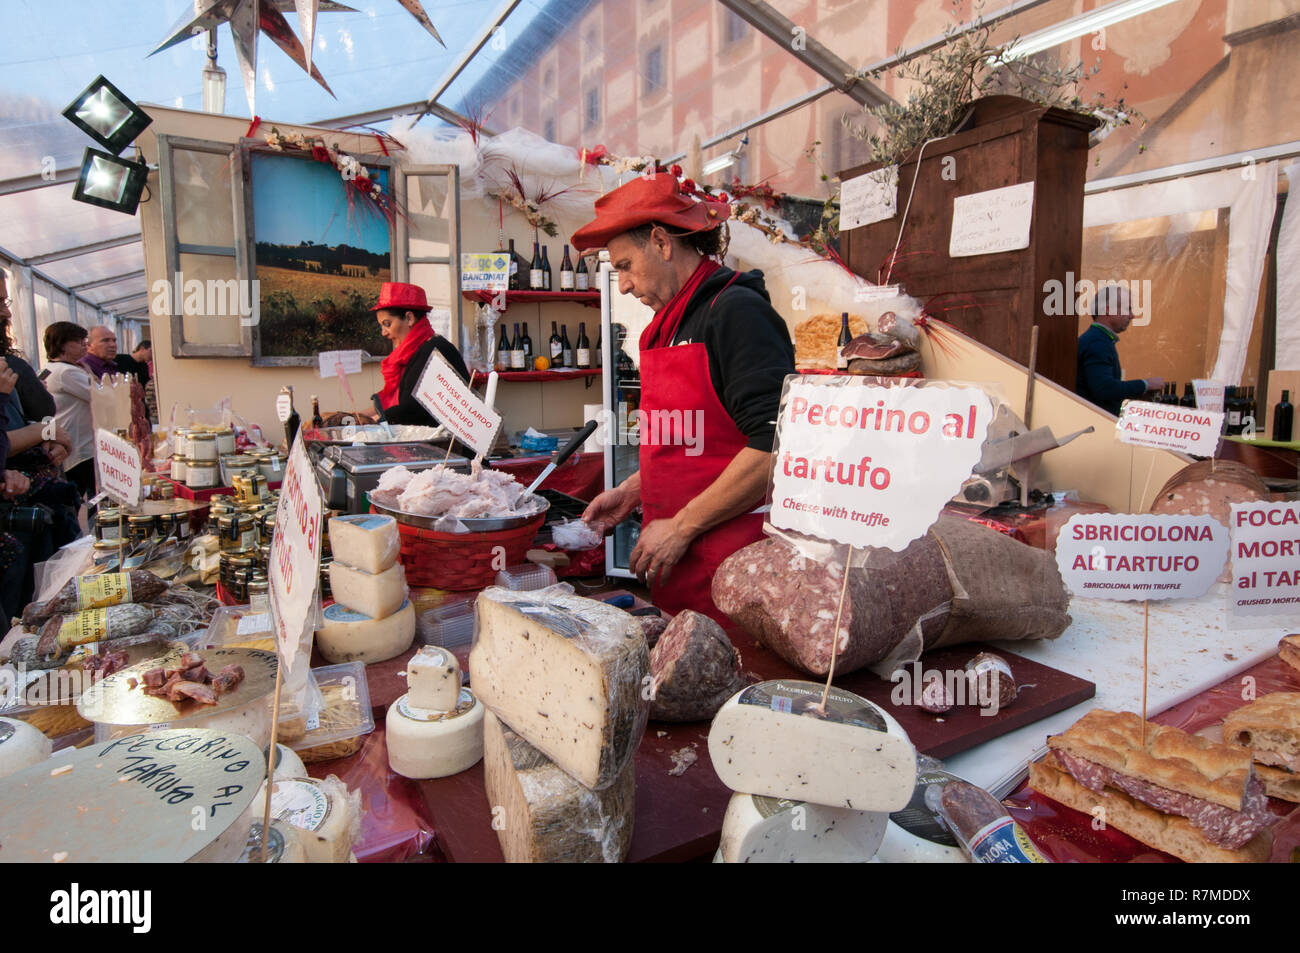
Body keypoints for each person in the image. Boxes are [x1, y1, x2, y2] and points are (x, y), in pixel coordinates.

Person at [573, 173, 795, 624]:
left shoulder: (737, 312)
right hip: (680, 566)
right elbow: (692, 438)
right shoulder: (670, 323)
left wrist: (681, 526)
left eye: (625, 266)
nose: (624, 286)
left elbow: (773, 446)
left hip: (733, 569)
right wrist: (634, 491)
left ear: (660, 242)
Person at [366, 282, 471, 426]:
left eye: (387, 324)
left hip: (447, 446)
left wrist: (368, 424)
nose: (383, 333)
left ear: (409, 318)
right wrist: (356, 417)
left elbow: (414, 408)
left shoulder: (436, 351)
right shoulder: (419, 351)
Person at [1076, 285, 1163, 416]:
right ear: (1108, 310)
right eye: (1127, 309)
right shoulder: (1097, 342)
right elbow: (1104, 389)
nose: (1132, 315)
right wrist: (1146, 384)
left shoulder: (1098, 339)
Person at [43, 321, 96, 495]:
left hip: (70, 443)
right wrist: (89, 372)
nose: (84, 345)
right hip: (80, 448)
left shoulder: (52, 368)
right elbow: (99, 396)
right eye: (79, 341)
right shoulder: (66, 372)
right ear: (62, 344)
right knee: (89, 493)